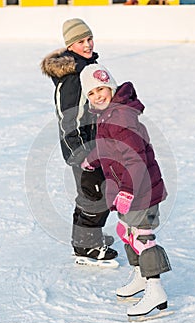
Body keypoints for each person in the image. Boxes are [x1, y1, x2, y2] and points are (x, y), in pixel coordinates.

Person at [80, 63, 171, 317]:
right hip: (126, 190)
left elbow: (135, 157)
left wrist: (129, 190)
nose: (98, 95)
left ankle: (155, 289)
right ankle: (141, 275)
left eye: (102, 89)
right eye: (92, 93)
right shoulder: (106, 114)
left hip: (141, 190)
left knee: (142, 236)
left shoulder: (121, 116)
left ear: (111, 87)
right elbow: (108, 146)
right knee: (126, 232)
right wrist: (93, 158)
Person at [41, 19, 118, 262]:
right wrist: (80, 152)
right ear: (69, 45)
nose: (87, 44)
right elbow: (69, 118)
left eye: (89, 39)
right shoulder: (73, 75)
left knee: (91, 194)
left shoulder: (85, 67)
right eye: (80, 41)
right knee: (96, 197)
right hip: (83, 149)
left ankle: (86, 238)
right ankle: (86, 246)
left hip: (94, 144)